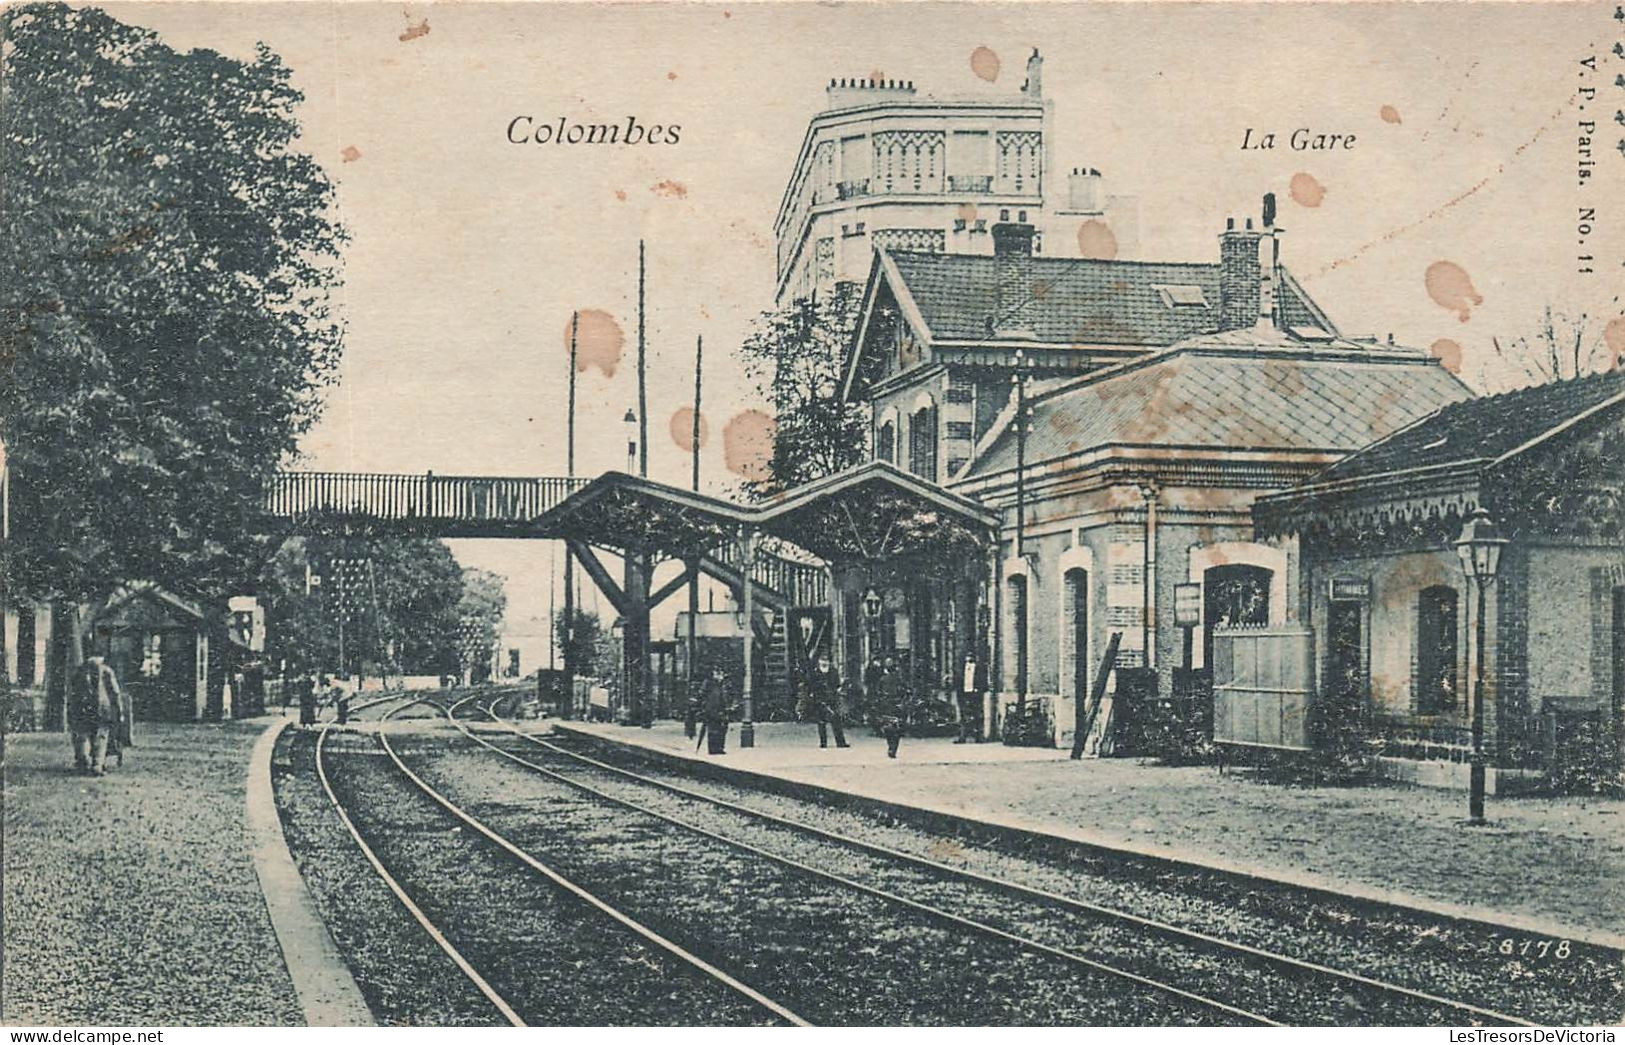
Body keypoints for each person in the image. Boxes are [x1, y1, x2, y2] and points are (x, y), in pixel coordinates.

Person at [68, 648, 125, 777]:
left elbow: (72, 691)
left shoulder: (80, 671)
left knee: (82, 735)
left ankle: (83, 762)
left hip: (81, 707)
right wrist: (119, 709)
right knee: (101, 735)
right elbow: (115, 692)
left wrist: (72, 708)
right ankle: (97, 765)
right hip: (103, 708)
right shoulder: (107, 670)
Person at [798, 654, 849, 749]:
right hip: (820, 699)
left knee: (836, 720)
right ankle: (823, 742)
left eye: (826, 660)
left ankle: (840, 742)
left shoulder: (833, 672)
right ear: (819, 662)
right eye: (822, 660)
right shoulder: (815, 673)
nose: (824, 662)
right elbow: (810, 684)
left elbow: (837, 684)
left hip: (832, 698)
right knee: (821, 721)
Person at [875, 655, 908, 758]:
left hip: (887, 705)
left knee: (888, 727)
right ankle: (893, 748)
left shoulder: (883, 679)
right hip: (896, 705)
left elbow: (878, 692)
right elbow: (906, 691)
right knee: (896, 728)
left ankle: (891, 747)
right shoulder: (899, 679)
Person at [699, 664, 731, 755]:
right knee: (713, 729)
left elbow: (726, 696)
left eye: (721, 672)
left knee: (722, 728)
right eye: (717, 672)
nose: (720, 674)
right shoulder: (709, 683)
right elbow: (702, 694)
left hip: (722, 708)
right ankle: (713, 748)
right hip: (711, 709)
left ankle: (720, 747)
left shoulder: (724, 683)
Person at [956, 654, 985, 744]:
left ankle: (978, 737)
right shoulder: (961, 669)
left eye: (971, 656)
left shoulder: (979, 669)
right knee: (963, 716)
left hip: (975, 694)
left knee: (977, 716)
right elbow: (958, 680)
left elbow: (982, 680)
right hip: (964, 694)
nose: (969, 658)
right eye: (967, 656)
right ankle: (962, 737)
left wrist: (978, 690)